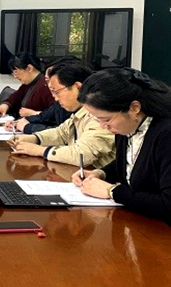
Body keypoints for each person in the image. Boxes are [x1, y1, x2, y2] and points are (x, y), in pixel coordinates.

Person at [71, 68, 171, 225]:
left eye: (106, 119)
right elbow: (132, 162)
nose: (103, 126)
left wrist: (111, 191)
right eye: (98, 120)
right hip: (137, 221)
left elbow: (167, 205)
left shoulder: (166, 134)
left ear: (134, 108)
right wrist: (101, 173)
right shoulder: (128, 126)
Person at [9, 61, 115, 167]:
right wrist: (35, 138)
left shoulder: (100, 115)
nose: (55, 98)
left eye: (56, 91)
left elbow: (83, 154)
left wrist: (41, 151)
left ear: (78, 87)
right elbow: (61, 133)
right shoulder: (80, 112)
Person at [0, 52, 54, 118]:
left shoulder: (46, 86)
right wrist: (4, 106)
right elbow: (14, 98)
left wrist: (33, 113)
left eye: (16, 71)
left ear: (29, 68)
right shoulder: (27, 84)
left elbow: (54, 114)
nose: (15, 76)